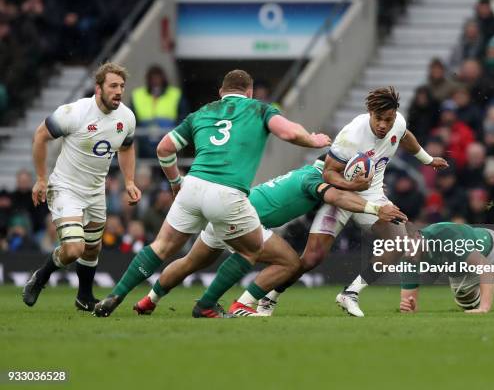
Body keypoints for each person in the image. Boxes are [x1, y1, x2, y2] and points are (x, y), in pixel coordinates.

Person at [93, 69, 331, 317]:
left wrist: (175, 182)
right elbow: (290, 133)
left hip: (192, 186)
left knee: (161, 246)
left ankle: (116, 295)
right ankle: (207, 305)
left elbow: (164, 148)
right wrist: (313, 140)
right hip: (227, 195)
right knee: (260, 253)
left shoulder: (202, 112)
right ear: (249, 92)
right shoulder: (259, 109)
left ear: (221, 93)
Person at [132, 155, 407, 317]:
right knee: (290, 263)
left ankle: (149, 300)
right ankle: (243, 304)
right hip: (245, 219)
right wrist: (374, 207)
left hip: (230, 210)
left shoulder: (307, 172)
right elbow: (335, 195)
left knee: (191, 261)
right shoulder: (313, 180)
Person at [256, 87, 448, 317]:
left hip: (373, 194)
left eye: (389, 119)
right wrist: (354, 186)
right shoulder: (351, 136)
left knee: (398, 243)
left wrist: (427, 159)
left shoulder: (397, 123)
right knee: (312, 258)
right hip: (341, 196)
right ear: (369, 112)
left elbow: (405, 136)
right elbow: (329, 173)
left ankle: (351, 293)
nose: (384, 125)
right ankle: (270, 297)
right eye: (379, 119)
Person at [24, 62, 141, 311]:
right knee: (73, 249)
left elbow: (127, 147)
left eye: (121, 86)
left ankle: (84, 297)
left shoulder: (127, 117)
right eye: (112, 86)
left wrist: (129, 180)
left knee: (92, 248)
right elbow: (40, 135)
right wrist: (41, 178)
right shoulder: (75, 112)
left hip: (96, 191)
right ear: (98, 89)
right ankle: (41, 277)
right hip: (66, 188)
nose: (118, 91)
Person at [130, 65, 189, 157]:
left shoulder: (175, 94)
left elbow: (183, 117)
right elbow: (131, 119)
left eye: (158, 79)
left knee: (170, 169)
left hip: (169, 142)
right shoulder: (137, 95)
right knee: (143, 170)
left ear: (164, 79)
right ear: (148, 80)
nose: (156, 82)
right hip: (145, 144)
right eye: (153, 79)